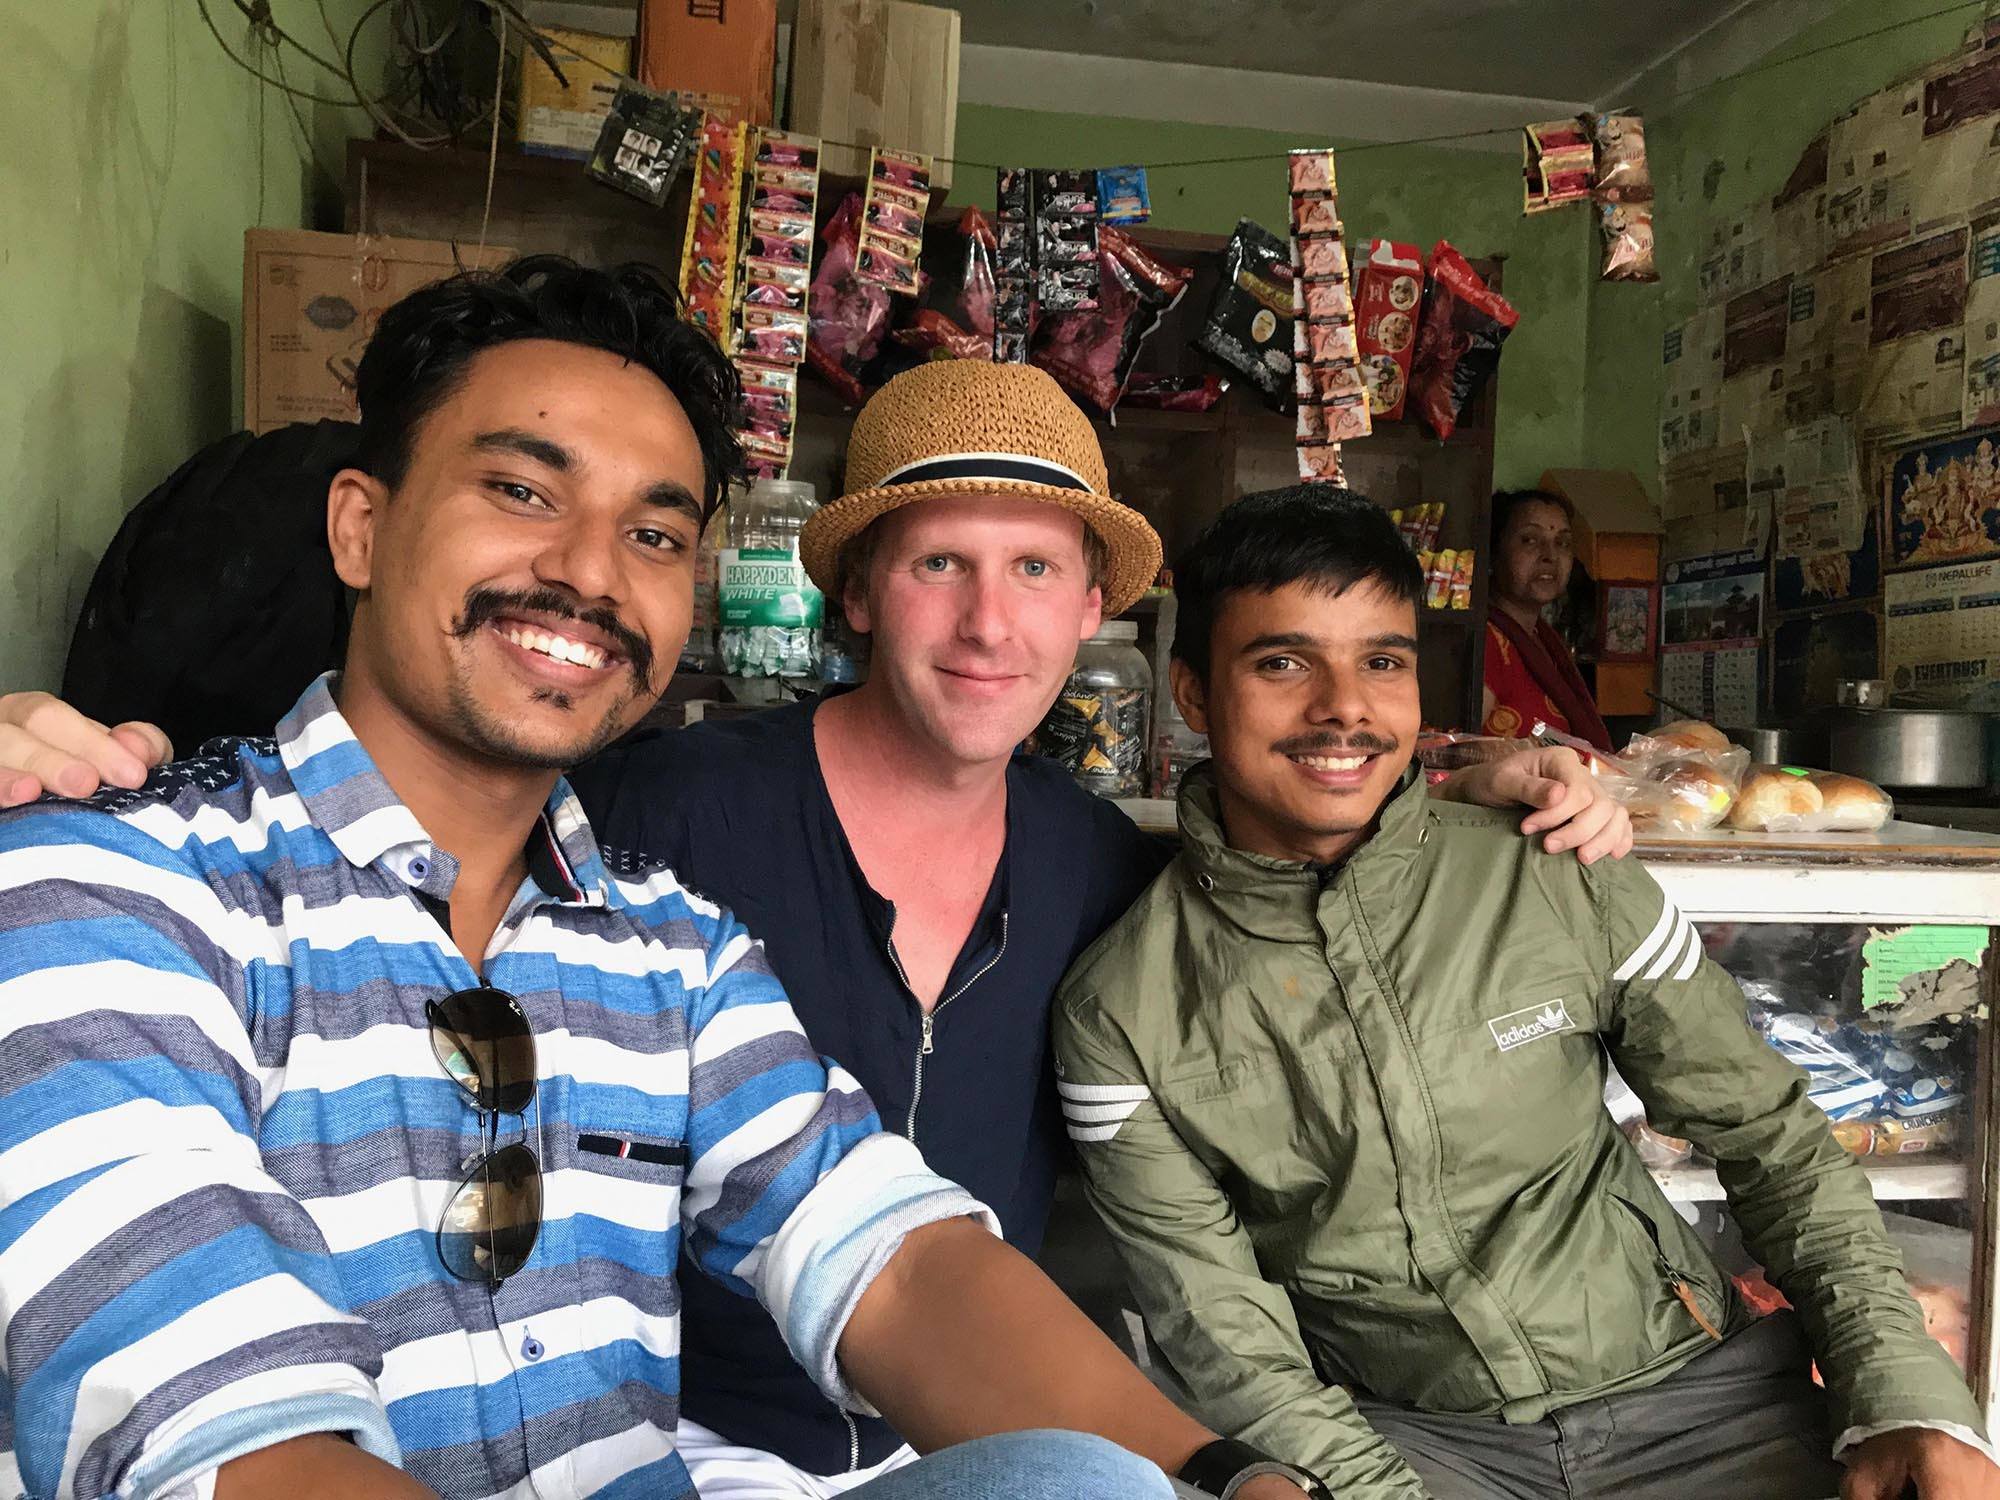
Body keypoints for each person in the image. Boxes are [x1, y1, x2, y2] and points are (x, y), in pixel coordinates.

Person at [0, 351, 1634, 1496]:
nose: (585, 572)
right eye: (519, 490)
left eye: (652, 532)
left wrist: (1215, 1468)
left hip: (778, 1465)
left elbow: (886, 1248)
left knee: (1084, 1487)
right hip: (722, 1432)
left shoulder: (663, 943)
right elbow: (215, 1434)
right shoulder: (120, 881)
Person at [1053, 485, 2000, 1500]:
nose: (1343, 707)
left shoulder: (1554, 871)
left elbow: (1769, 1140)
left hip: (1700, 1404)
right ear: (1192, 693)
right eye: (1281, 662)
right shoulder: (1122, 1016)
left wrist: (1904, 1393)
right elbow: (1225, 1338)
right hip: (1408, 1444)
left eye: (1381, 661)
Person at [1482, 486, 1611, 749]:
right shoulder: (1484, 640)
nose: (1550, 556)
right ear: (1493, 553)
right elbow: (1459, 752)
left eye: (1562, 543)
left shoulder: (1545, 641)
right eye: (1529, 540)